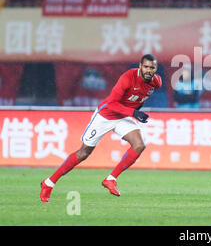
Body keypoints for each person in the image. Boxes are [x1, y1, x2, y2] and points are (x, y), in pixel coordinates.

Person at [40, 54, 162, 202]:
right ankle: (49, 183)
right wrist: (134, 113)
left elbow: (138, 97)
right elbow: (111, 103)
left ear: (156, 68)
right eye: (146, 66)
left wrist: (134, 111)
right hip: (105, 115)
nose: (149, 70)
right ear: (140, 66)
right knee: (83, 153)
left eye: (152, 67)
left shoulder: (156, 82)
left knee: (139, 145)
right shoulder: (128, 77)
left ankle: (111, 179)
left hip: (123, 117)